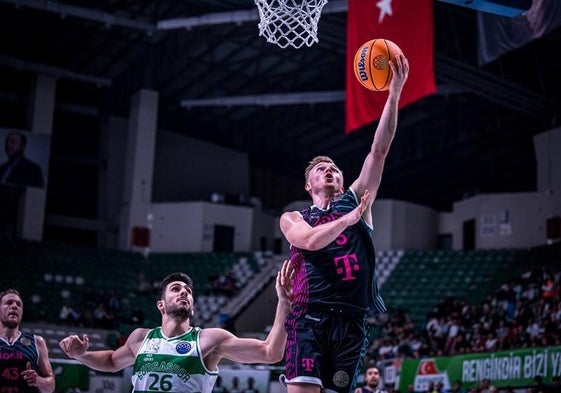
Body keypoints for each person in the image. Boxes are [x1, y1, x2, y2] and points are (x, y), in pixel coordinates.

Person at [279, 54, 409, 393]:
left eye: (334, 168)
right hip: (309, 319)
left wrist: (394, 93)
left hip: (352, 323)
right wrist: (348, 220)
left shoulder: (357, 200)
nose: (330, 170)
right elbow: (308, 242)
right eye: (321, 169)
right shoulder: (295, 217)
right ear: (309, 185)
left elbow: (378, 151)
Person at [59, 261, 294, 393]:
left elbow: (270, 352)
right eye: (176, 289)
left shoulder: (209, 340)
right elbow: (110, 361)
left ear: (192, 307)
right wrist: (82, 355)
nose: (184, 292)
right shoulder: (141, 338)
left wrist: (284, 302)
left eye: (188, 291)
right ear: (160, 305)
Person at [0, 289, 55, 393]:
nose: (15, 306)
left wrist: (38, 381)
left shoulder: (36, 342)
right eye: (9, 303)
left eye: (19, 304)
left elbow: (51, 387)